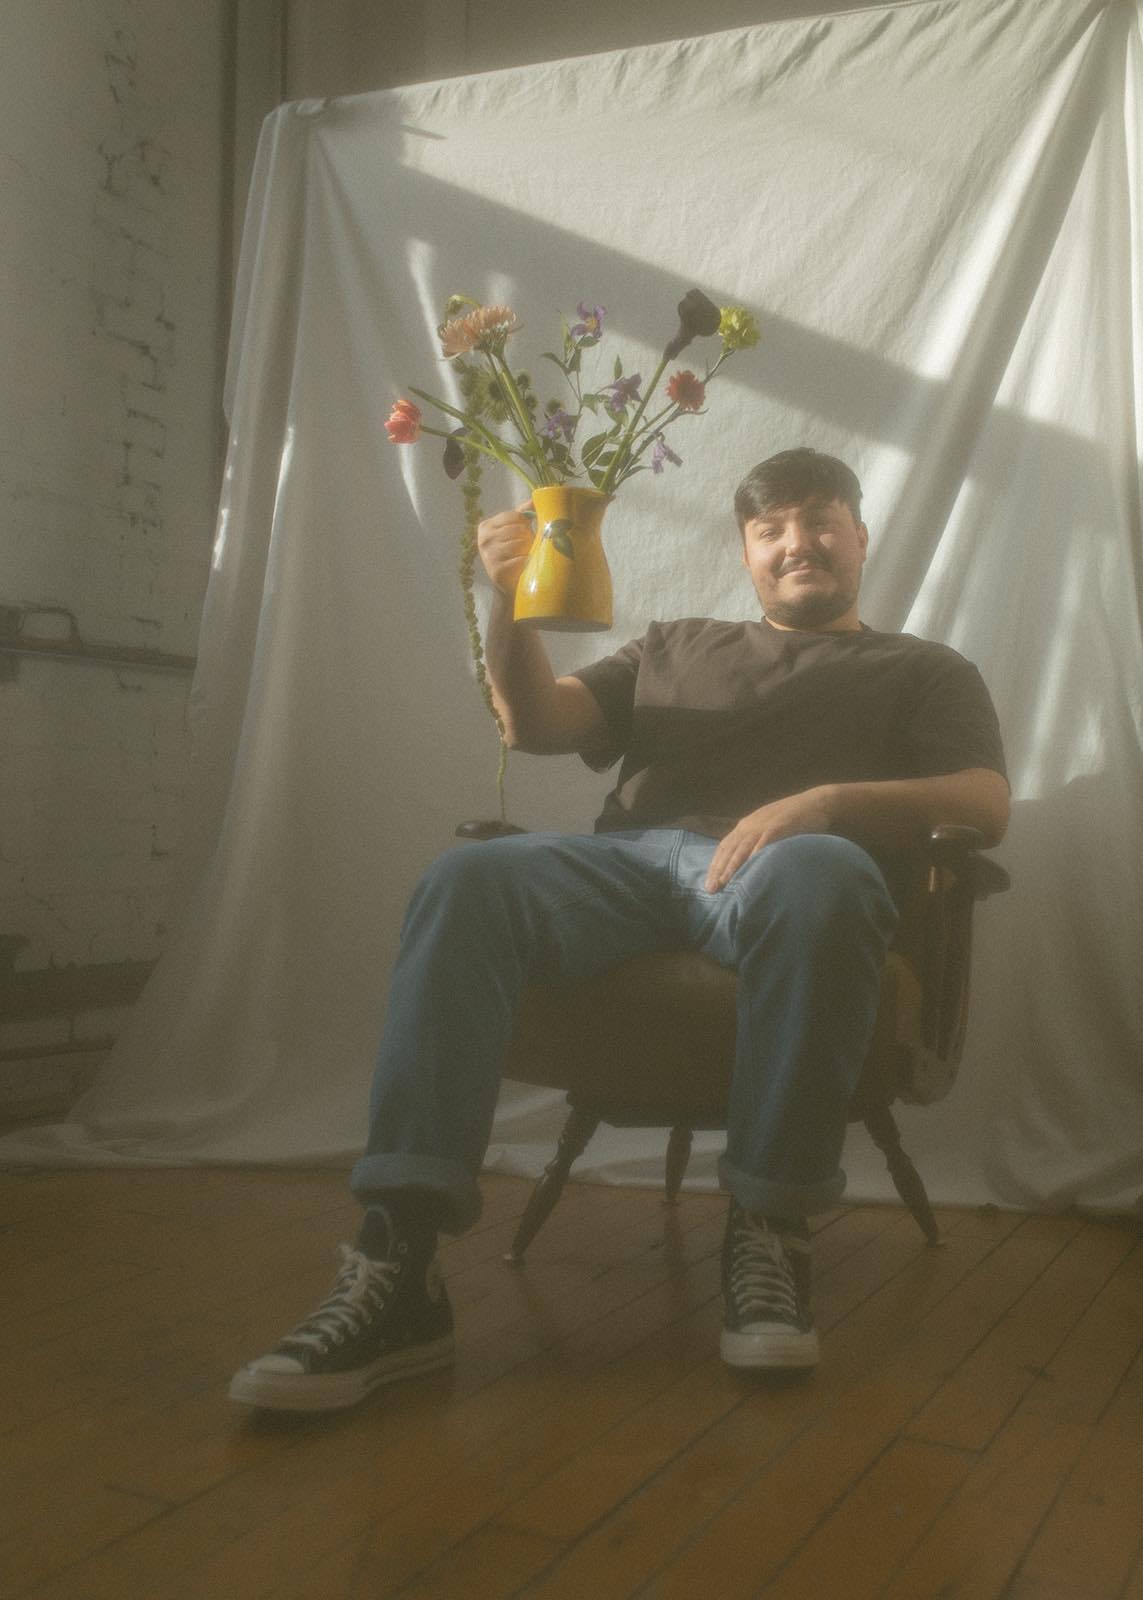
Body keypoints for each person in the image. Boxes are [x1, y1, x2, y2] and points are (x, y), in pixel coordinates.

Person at [230, 447, 1008, 1412]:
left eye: (819, 522)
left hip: (782, 878)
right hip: (632, 869)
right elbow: (536, 725)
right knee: (467, 877)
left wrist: (824, 803)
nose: (796, 543)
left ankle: (769, 1231)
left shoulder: (923, 668)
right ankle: (400, 1260)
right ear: (745, 551)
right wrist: (508, 603)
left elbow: (984, 802)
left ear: (859, 536)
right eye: (770, 529)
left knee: (824, 867)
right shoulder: (675, 645)